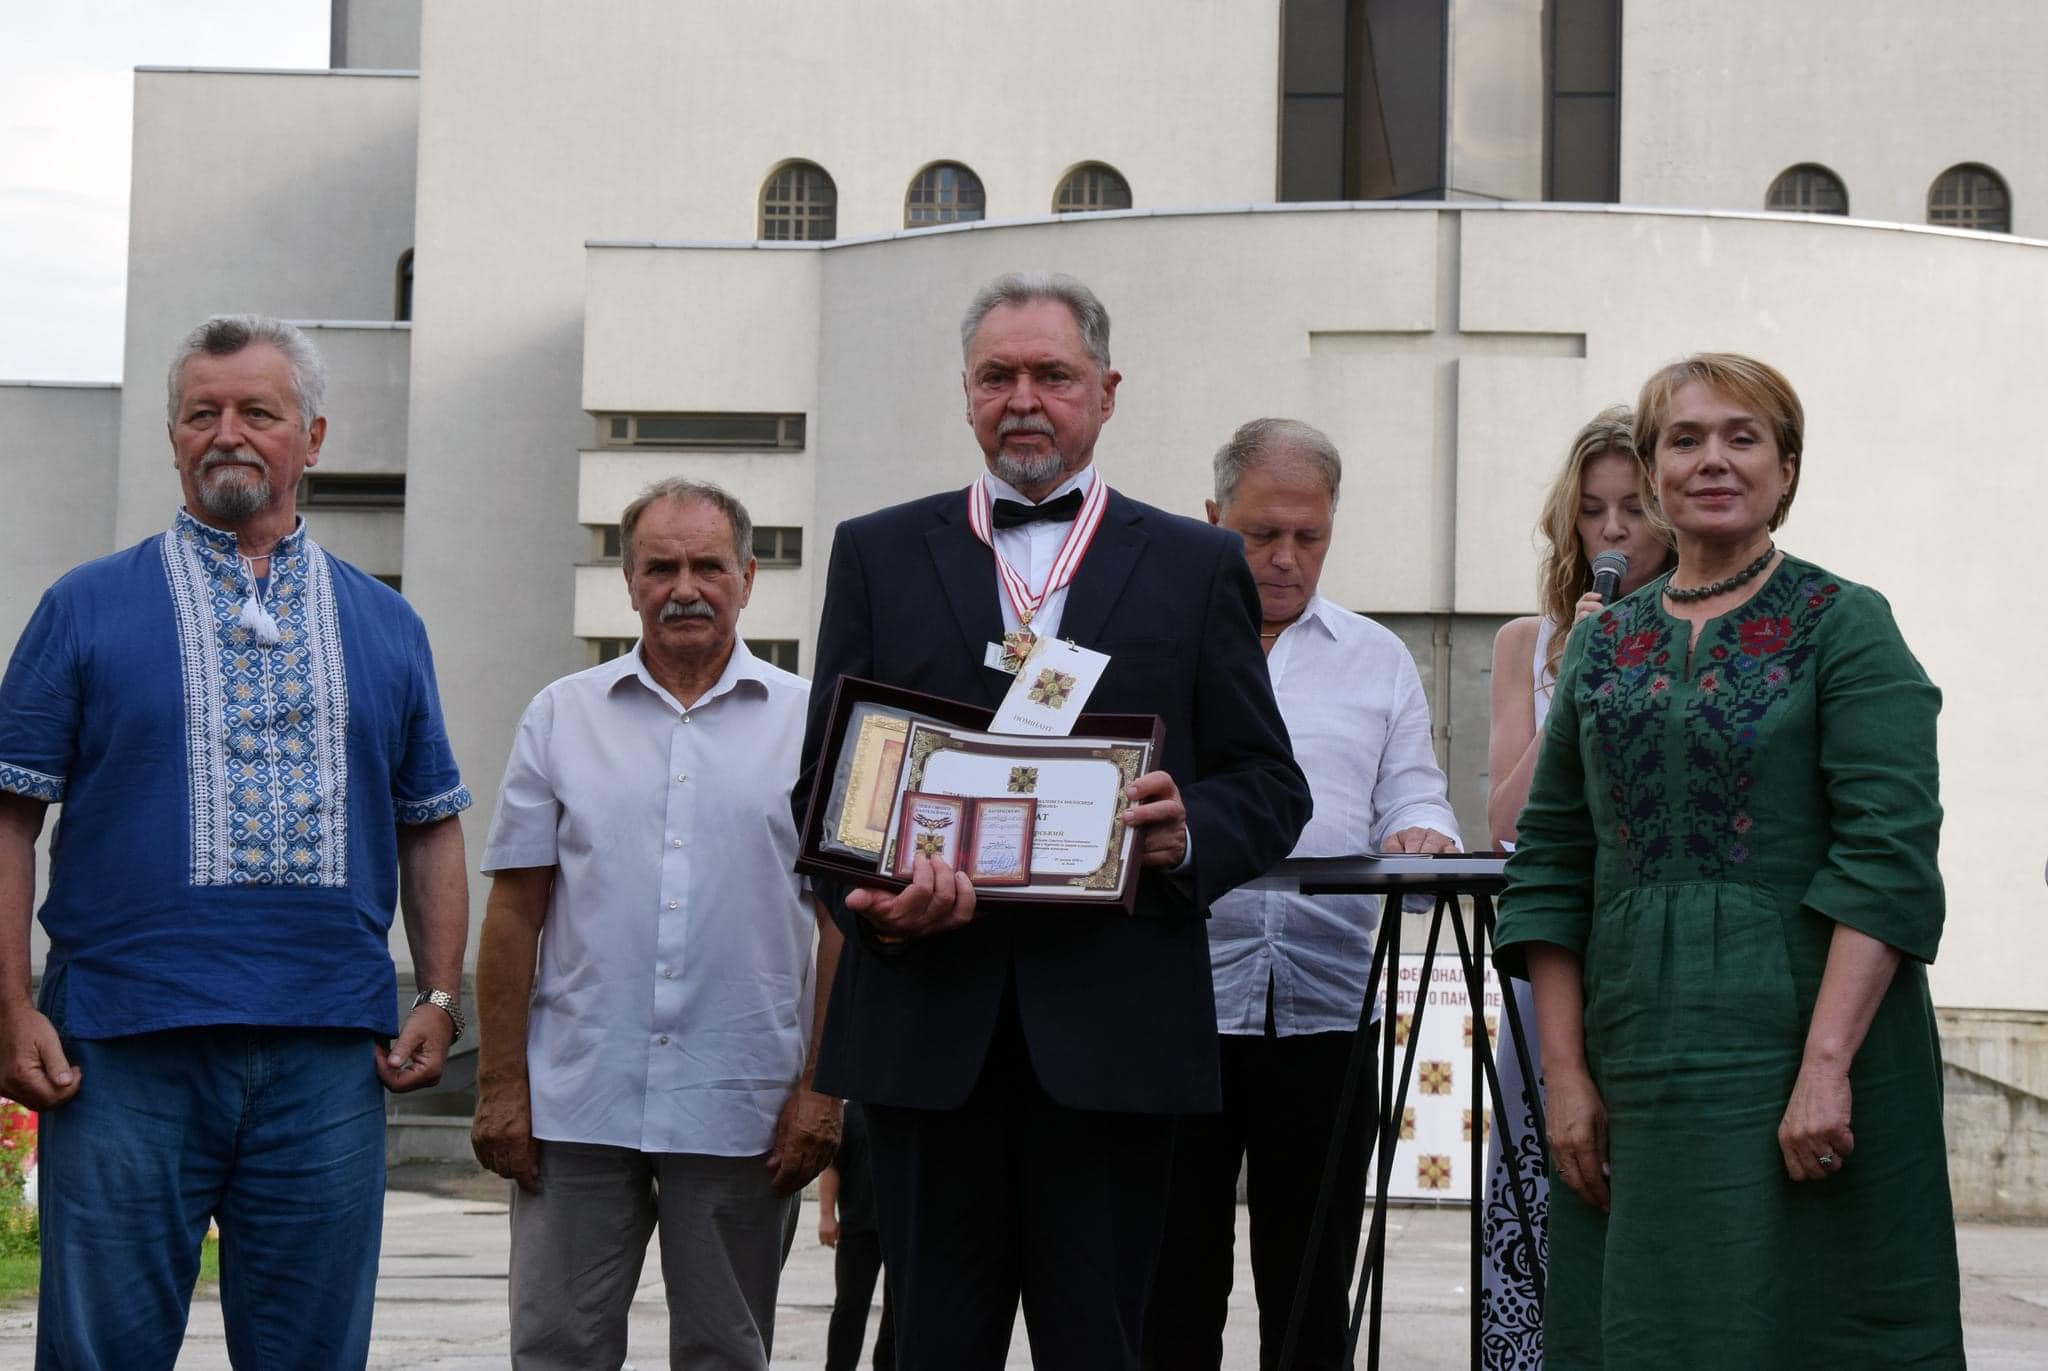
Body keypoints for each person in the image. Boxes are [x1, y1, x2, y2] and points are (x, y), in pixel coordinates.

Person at [792, 271, 1311, 1370]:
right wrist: (878, 911)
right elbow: (823, 794)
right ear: (966, 395)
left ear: (1106, 392)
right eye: (998, 376)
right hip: (929, 1029)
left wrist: (1188, 830)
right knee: (931, 1348)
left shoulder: (1196, 562)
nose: (1023, 397)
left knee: (1104, 1346)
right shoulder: (877, 553)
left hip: (1115, 1036)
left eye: (1052, 375)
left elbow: (1269, 784)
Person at [0, 314, 472, 1368]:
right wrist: (9, 1003)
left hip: (325, 1058)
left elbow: (430, 821)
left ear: (311, 435)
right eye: (200, 413)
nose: (227, 433)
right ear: (171, 437)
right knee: (98, 1355)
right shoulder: (82, 608)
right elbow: (8, 815)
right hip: (122, 1050)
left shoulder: (386, 624)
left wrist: (438, 995)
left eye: (257, 412)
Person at [1493, 354, 1965, 1366]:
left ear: (1785, 471)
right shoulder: (1598, 644)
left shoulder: (1844, 624)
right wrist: (1563, 1077)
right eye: (1684, 438)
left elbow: (1885, 857)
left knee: (1807, 1324)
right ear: (1654, 470)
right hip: (1633, 1062)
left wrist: (1824, 1070)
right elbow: (1550, 863)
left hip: (1806, 1045)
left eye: (1740, 437)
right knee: (1642, 1329)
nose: (1711, 459)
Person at [471, 478, 842, 1370]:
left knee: (725, 1350)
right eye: (661, 566)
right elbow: (515, 911)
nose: (686, 586)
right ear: (628, 581)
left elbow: (838, 927)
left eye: (708, 565)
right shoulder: (562, 715)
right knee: (556, 1346)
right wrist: (499, 1083)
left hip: (743, 1104)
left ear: (749, 577)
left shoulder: (811, 724)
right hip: (577, 1100)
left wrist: (823, 1093)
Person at [1142, 418, 1459, 1371]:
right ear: (1210, 521)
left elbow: (1414, 787)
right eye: (1258, 534)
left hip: (1325, 1014)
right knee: (1171, 1286)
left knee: (1315, 1288)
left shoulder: (1377, 658)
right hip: (1173, 1010)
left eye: (1307, 537)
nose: (1284, 559)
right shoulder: (1156, 649)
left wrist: (1421, 830)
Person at [1479, 406, 1671, 1366]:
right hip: (1550, 949)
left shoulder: (1714, 628)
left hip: (1659, 948)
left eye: (1634, 507)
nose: (1615, 531)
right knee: (1543, 1170)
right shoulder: (1531, 641)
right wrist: (1582, 673)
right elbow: (1508, 820)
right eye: (1594, 509)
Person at [818, 1100, 895, 1371]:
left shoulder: (907, 1111)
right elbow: (832, 1166)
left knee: (898, 1313)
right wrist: (827, 1215)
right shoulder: (851, 1113)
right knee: (849, 1307)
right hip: (857, 1228)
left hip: (901, 1231)